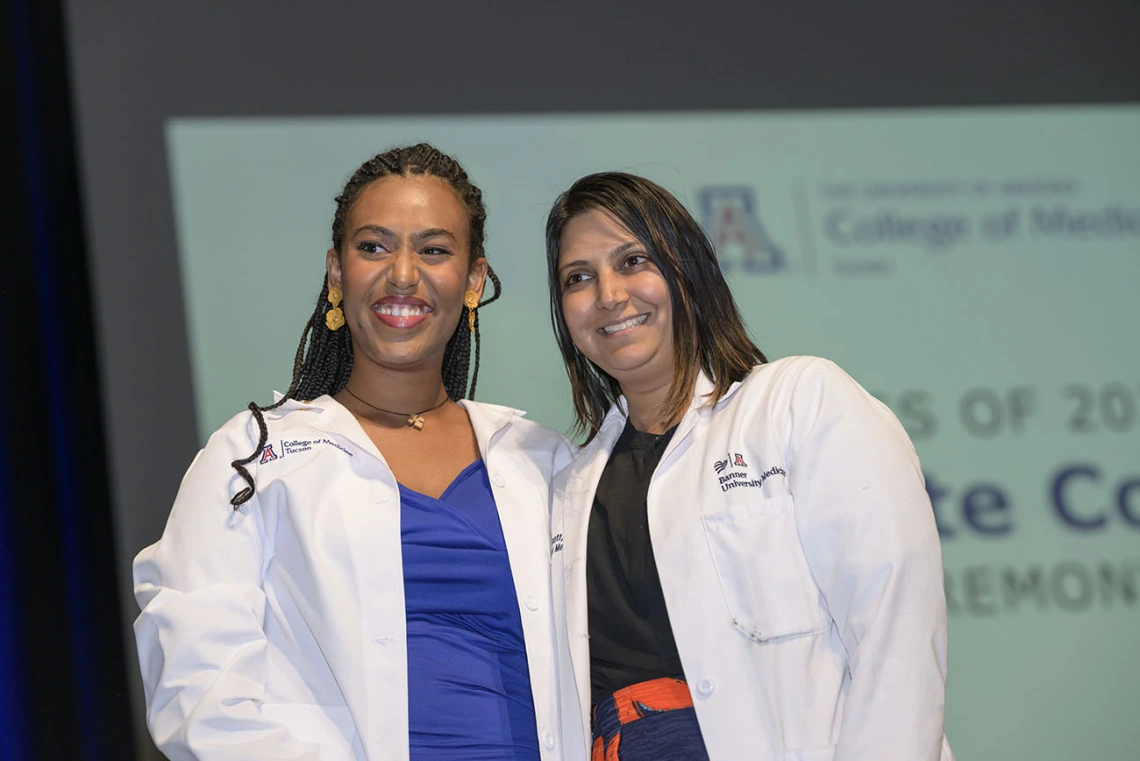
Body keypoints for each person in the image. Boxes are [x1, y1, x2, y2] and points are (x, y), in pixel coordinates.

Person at [134, 144, 574, 761]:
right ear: (336, 273)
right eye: (373, 246)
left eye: (434, 249)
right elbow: (196, 690)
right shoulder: (252, 456)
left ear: (473, 280)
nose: (402, 274)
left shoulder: (544, 461)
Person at [544, 172, 954, 761]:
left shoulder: (799, 401)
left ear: (686, 272)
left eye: (633, 261)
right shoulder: (567, 490)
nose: (608, 294)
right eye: (578, 278)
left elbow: (898, 630)